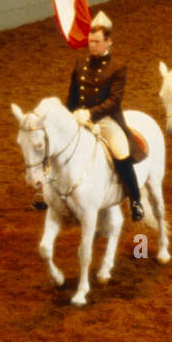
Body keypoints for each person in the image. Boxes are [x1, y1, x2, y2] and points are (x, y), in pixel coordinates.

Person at [64, 11, 145, 222]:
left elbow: (114, 101)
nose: (92, 46)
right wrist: (70, 115)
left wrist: (89, 113)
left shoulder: (118, 67)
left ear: (108, 41)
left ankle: (135, 200)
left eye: (97, 42)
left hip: (105, 120)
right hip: (79, 117)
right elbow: (72, 94)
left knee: (120, 153)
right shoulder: (80, 63)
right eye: (90, 42)